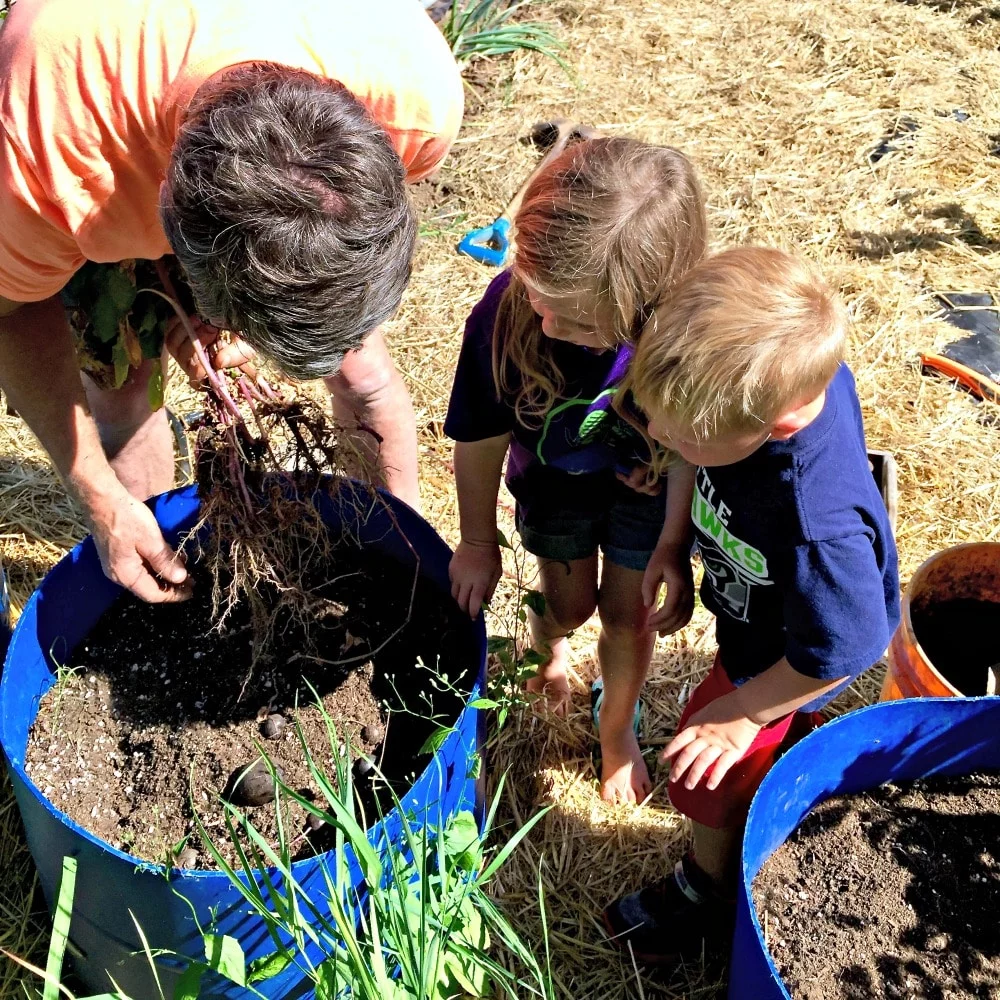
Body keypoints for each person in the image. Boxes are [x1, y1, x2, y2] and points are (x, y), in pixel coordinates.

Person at [0, 0, 463, 603]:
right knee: (124, 382)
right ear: (161, 200)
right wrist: (98, 496)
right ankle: (150, 563)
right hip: (96, 116)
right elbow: (10, 310)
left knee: (362, 372)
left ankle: (395, 572)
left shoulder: (413, 95)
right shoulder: (43, 146)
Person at [602, 247, 900, 960]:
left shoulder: (813, 523)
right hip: (764, 610)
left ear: (783, 422)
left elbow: (851, 645)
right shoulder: (770, 386)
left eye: (683, 437)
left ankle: (706, 891)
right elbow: (687, 449)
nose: (663, 442)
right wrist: (674, 541)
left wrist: (743, 713)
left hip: (780, 657)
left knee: (703, 772)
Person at [445, 137, 707, 804]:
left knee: (627, 617)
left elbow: (695, 449)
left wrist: (676, 541)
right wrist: (478, 541)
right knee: (565, 604)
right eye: (539, 294)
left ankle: (616, 728)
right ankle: (551, 653)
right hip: (551, 491)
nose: (551, 320)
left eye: (583, 321)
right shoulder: (502, 318)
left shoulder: (680, 335)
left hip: (645, 498)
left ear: (649, 306)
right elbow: (478, 441)